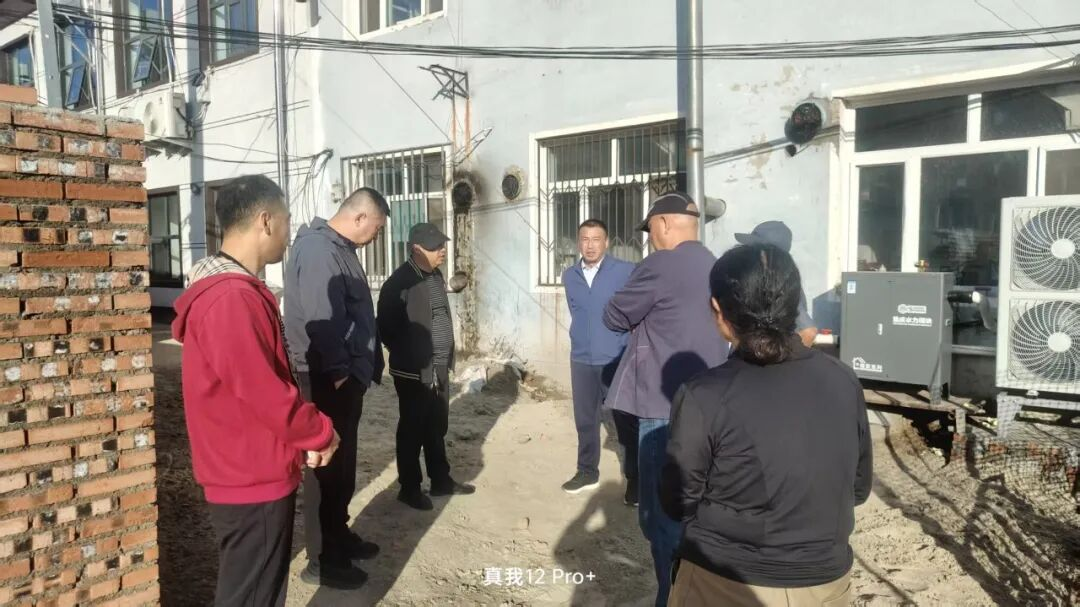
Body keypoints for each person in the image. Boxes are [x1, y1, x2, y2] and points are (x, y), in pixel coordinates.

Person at [661, 243, 873, 607]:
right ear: (794, 304)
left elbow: (678, 501)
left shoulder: (704, 394)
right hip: (825, 584)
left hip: (724, 584)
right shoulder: (843, 380)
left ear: (718, 310)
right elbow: (858, 488)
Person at [172, 175, 340, 607]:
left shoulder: (232, 290)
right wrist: (320, 431)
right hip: (250, 476)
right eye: (286, 220)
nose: (288, 233)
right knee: (252, 596)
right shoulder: (231, 298)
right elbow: (265, 391)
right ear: (265, 221)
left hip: (247, 465)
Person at [603, 192, 729, 607]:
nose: (650, 238)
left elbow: (614, 315)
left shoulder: (660, 265)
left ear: (662, 224)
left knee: (660, 517)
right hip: (710, 407)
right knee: (696, 506)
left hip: (661, 408)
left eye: (650, 230)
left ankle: (670, 598)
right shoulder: (717, 265)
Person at [284, 187, 388, 589]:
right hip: (326, 377)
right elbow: (321, 319)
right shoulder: (318, 251)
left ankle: (339, 536)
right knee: (324, 468)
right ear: (359, 217)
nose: (376, 236)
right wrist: (341, 371)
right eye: (376, 228)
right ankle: (322, 560)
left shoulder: (341, 249)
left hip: (344, 377)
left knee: (342, 465)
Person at [378, 222, 476, 511]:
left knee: (436, 425)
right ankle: (409, 488)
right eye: (435, 247)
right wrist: (412, 354)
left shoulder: (434, 276)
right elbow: (385, 328)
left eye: (442, 245)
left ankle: (440, 480)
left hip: (439, 365)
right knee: (412, 429)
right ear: (416, 249)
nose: (442, 251)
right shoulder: (400, 282)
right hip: (414, 369)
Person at [560, 219, 639, 504]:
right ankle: (586, 472)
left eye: (596, 239)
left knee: (625, 420)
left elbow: (636, 309)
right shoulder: (570, 276)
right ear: (578, 242)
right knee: (585, 420)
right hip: (581, 358)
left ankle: (635, 479)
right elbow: (578, 312)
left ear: (607, 242)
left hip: (616, 357)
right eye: (585, 239)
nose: (590, 245)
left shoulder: (625, 271)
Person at [735, 221, 819, 347]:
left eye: (754, 250)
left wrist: (784, 359)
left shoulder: (782, 286)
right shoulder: (762, 280)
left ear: (771, 255)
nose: (748, 254)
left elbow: (808, 331)